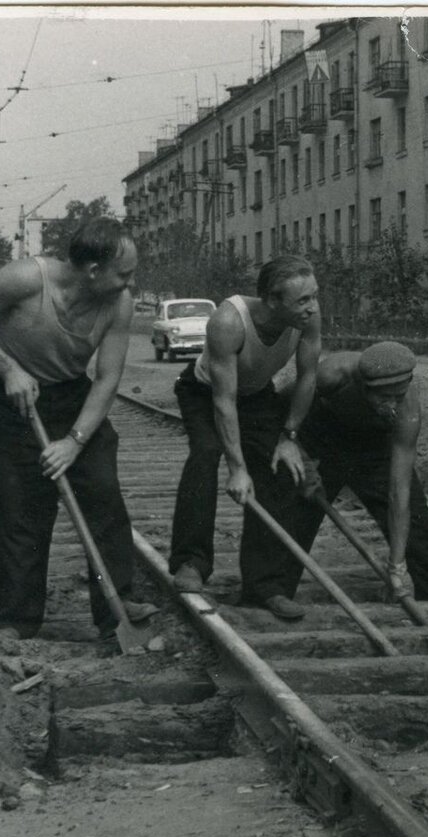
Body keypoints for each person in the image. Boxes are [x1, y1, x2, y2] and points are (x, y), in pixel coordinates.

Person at [0, 217, 157, 642]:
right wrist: (9, 370)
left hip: (72, 400)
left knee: (102, 495)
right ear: (93, 271)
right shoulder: (26, 278)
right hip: (11, 402)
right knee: (18, 510)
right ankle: (18, 617)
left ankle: (114, 610)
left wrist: (74, 442)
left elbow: (107, 379)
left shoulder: (119, 304)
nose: (130, 282)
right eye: (125, 274)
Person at [168, 254, 322, 619]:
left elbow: (308, 378)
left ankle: (265, 586)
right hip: (205, 393)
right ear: (272, 300)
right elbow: (223, 402)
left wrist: (288, 437)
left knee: (278, 469)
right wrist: (237, 468)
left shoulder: (307, 319)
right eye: (303, 300)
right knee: (206, 454)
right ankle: (191, 563)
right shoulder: (228, 321)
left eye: (314, 296)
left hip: (255, 396)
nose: (312, 307)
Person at [265, 342, 428, 605]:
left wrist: (396, 566)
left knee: (420, 530)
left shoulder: (407, 413)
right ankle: (271, 599)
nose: (392, 405)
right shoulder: (332, 375)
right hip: (318, 440)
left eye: (398, 396)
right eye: (383, 397)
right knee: (294, 518)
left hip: (374, 451)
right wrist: (297, 451)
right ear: (363, 385)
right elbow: (278, 408)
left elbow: (399, 492)